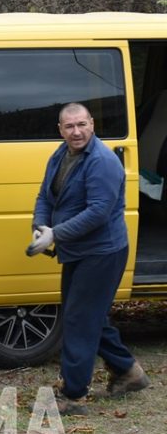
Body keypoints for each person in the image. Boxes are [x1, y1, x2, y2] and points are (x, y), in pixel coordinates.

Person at [28, 102, 149, 415]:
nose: (76, 131)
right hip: (79, 251)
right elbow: (45, 195)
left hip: (103, 252)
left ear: (92, 124)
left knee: (80, 320)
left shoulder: (102, 161)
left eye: (81, 124)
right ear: (61, 130)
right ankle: (128, 372)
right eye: (69, 126)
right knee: (84, 314)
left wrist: (55, 235)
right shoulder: (61, 155)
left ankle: (73, 394)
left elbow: (98, 212)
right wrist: (40, 227)